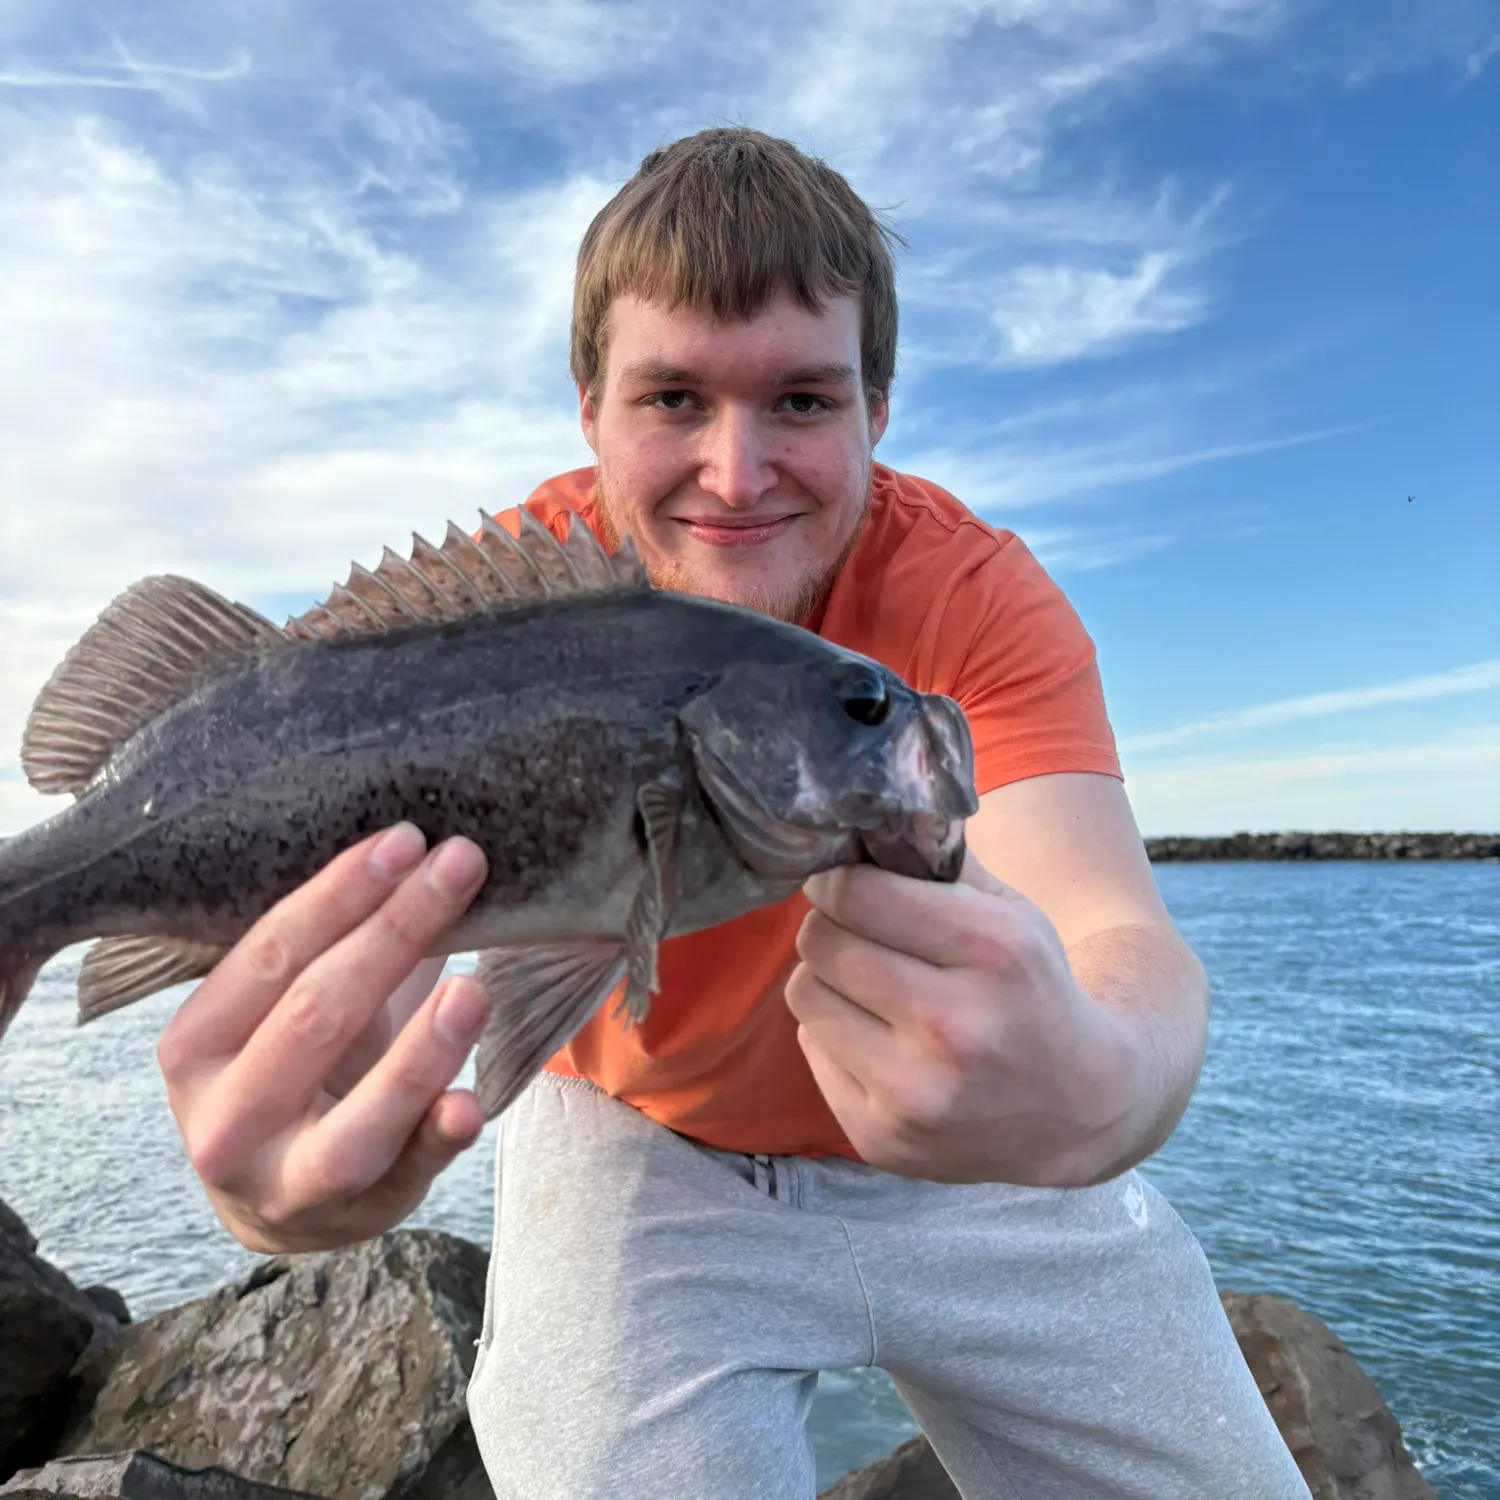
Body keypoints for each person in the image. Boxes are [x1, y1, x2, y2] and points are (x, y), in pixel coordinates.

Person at [155, 129, 1312, 1499]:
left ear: (878, 405)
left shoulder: (976, 597)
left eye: (805, 403)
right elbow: (353, 900)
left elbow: (1119, 936)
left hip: (985, 1160)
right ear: (588, 406)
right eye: (673, 400)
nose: (737, 471)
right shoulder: (507, 604)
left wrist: (1097, 1090)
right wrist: (271, 1194)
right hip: (637, 1144)